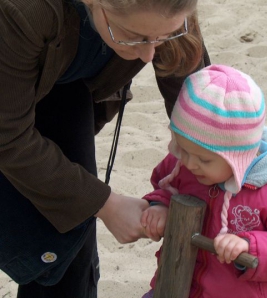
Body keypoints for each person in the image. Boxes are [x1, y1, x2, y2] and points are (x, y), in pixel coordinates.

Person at [0, 0, 210, 297]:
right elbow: (8, 138)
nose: (149, 54)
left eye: (162, 37)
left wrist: (217, 156)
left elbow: (196, 98)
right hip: (10, 94)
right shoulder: (23, 10)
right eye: (134, 36)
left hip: (64, 85)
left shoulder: (167, 8)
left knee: (68, 243)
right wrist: (105, 203)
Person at [140, 64, 267, 298]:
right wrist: (160, 205)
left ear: (238, 157)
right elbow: (164, 183)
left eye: (204, 160)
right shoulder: (185, 163)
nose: (190, 164)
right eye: (182, 149)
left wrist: (251, 246)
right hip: (173, 283)